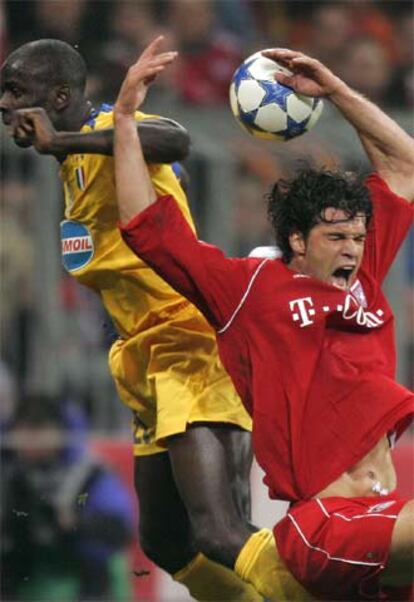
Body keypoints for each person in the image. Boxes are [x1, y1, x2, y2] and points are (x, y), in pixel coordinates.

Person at [0, 37, 313, 601]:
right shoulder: (75, 155)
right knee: (165, 541)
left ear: (61, 96)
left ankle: (313, 593)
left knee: (220, 530)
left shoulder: (110, 131)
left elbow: (176, 139)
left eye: (16, 91)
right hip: (142, 350)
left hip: (188, 342)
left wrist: (64, 139)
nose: (4, 103)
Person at [110, 39, 414, 600]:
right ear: (297, 240)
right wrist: (125, 119)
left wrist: (338, 91)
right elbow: (146, 226)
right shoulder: (250, 289)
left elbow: (405, 165)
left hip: (382, 516)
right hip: (325, 526)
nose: (352, 250)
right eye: (335, 238)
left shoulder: (364, 273)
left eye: (356, 237)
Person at [1, 395, 134, 601]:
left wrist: (74, 523)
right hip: (24, 577)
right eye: (24, 428)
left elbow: (120, 528)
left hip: (82, 576)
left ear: (59, 430)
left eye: (39, 428)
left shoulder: (89, 474)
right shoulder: (10, 475)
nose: (31, 439)